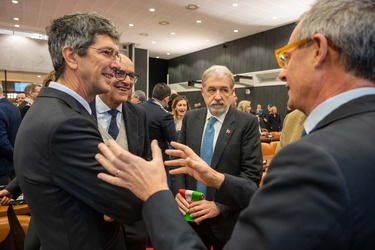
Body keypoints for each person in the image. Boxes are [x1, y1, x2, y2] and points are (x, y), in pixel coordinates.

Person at [95, 0, 375, 249]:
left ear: (319, 51)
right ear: (202, 92)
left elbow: (251, 177)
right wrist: (200, 185)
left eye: (286, 57)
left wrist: (155, 195)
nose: (281, 73)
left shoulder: (313, 158)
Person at [14, 12, 144, 249]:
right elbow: (127, 204)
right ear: (72, 56)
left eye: (116, 54)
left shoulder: (51, 109)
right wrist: (141, 184)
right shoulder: (67, 123)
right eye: (107, 53)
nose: (116, 64)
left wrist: (110, 200)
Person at [171, 65, 262, 250]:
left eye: (224, 90)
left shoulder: (247, 123)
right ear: (202, 91)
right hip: (190, 218)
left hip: (227, 221)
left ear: (232, 92)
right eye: (212, 90)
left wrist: (219, 205)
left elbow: (251, 175)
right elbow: (180, 162)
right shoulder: (190, 118)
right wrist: (179, 195)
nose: (218, 96)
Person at [89, 54, 149, 250]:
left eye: (131, 75)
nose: (128, 81)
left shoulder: (139, 114)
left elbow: (145, 160)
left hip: (132, 220)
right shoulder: (81, 110)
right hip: (92, 219)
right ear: (103, 75)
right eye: (119, 73)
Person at [139, 82, 178, 161]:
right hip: (158, 159)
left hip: (138, 156)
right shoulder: (165, 116)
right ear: (166, 99)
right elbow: (174, 141)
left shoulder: (138, 108)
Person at [0, 84, 21, 186]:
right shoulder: (13, 107)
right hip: (12, 166)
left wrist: (15, 156)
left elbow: (2, 143)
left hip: (3, 167)